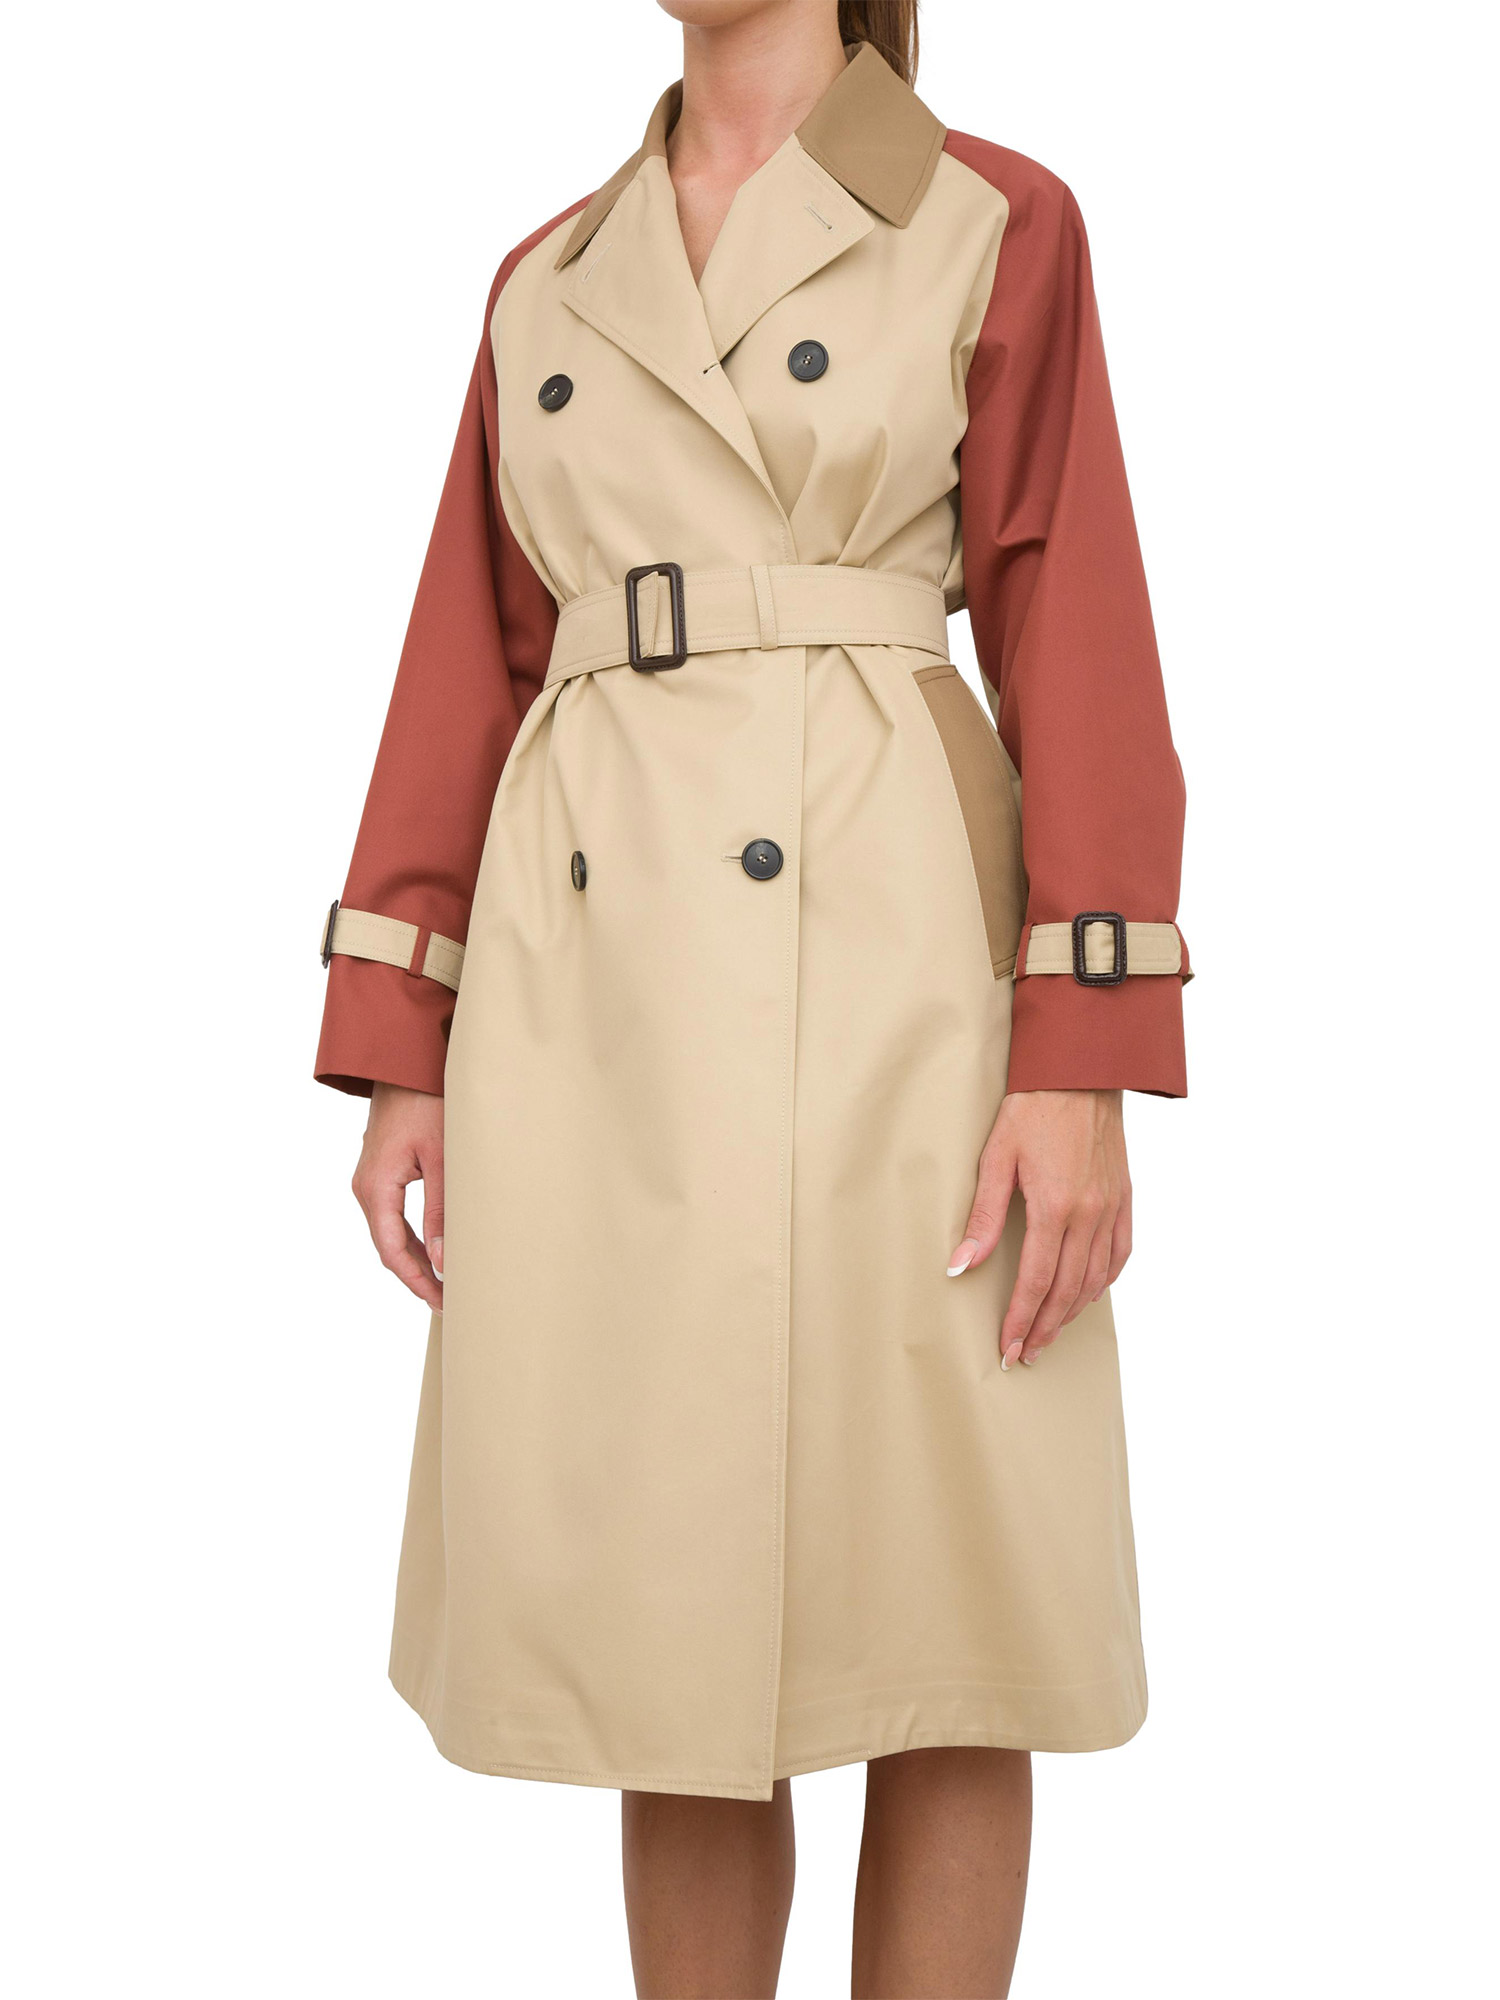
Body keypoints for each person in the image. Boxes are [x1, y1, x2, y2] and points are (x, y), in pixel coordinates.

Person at [314, 2, 1189, 1992]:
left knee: (950, 1594)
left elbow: (1079, 633)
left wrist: (1080, 1059)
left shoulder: (988, 217)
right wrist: (404, 1048)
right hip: (596, 993)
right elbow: (468, 656)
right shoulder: (552, 273)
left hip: (902, 965)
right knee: (669, 1614)